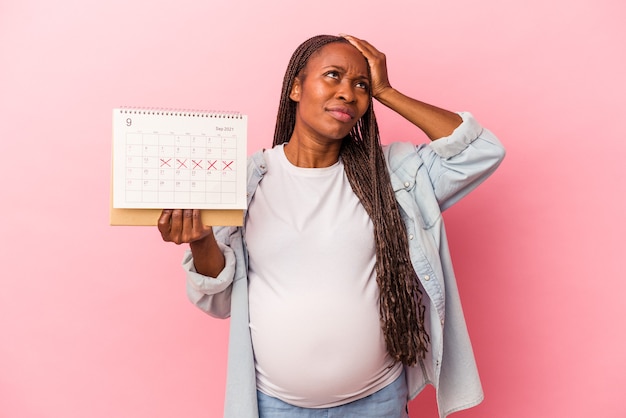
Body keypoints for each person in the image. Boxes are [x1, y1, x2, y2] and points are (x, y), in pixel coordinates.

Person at [158, 34, 505, 418]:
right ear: (295, 87)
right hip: (275, 406)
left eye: (361, 85)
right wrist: (200, 240)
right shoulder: (246, 183)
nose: (348, 93)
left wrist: (387, 91)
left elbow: (480, 150)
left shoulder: (390, 175)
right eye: (333, 76)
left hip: (379, 401)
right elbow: (221, 302)